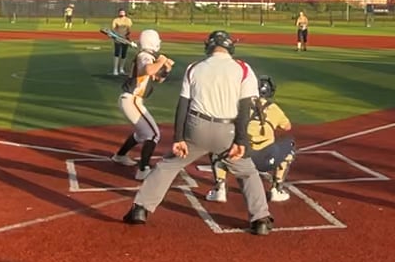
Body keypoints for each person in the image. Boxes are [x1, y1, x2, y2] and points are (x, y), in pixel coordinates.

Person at [123, 30, 275, 235]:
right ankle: (260, 219)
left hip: (196, 128)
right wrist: (241, 140)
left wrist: (179, 138)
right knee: (247, 172)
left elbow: (183, 105)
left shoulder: (194, 68)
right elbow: (245, 108)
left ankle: (140, 209)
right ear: (230, 47)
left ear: (209, 46)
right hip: (227, 131)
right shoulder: (243, 68)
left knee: (168, 165)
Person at [208, 75, 295, 204]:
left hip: (240, 158)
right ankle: (277, 189)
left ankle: (219, 189)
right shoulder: (274, 108)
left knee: (216, 149)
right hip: (265, 160)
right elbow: (287, 127)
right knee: (289, 147)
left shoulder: (240, 106)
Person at [110, 29, 173, 179]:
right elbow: (149, 70)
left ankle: (120, 156)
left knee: (141, 134)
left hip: (131, 100)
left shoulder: (147, 56)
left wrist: (166, 68)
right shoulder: (145, 56)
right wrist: (161, 61)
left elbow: (159, 78)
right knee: (153, 135)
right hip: (132, 100)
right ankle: (143, 170)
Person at [109, 8, 134, 75]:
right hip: (117, 38)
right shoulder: (116, 20)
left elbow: (129, 30)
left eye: (123, 12)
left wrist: (126, 36)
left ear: (125, 13)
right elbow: (114, 29)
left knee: (124, 53)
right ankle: (115, 69)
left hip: (125, 39)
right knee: (117, 53)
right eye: (120, 12)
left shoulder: (128, 20)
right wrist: (117, 36)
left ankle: (121, 69)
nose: (121, 13)